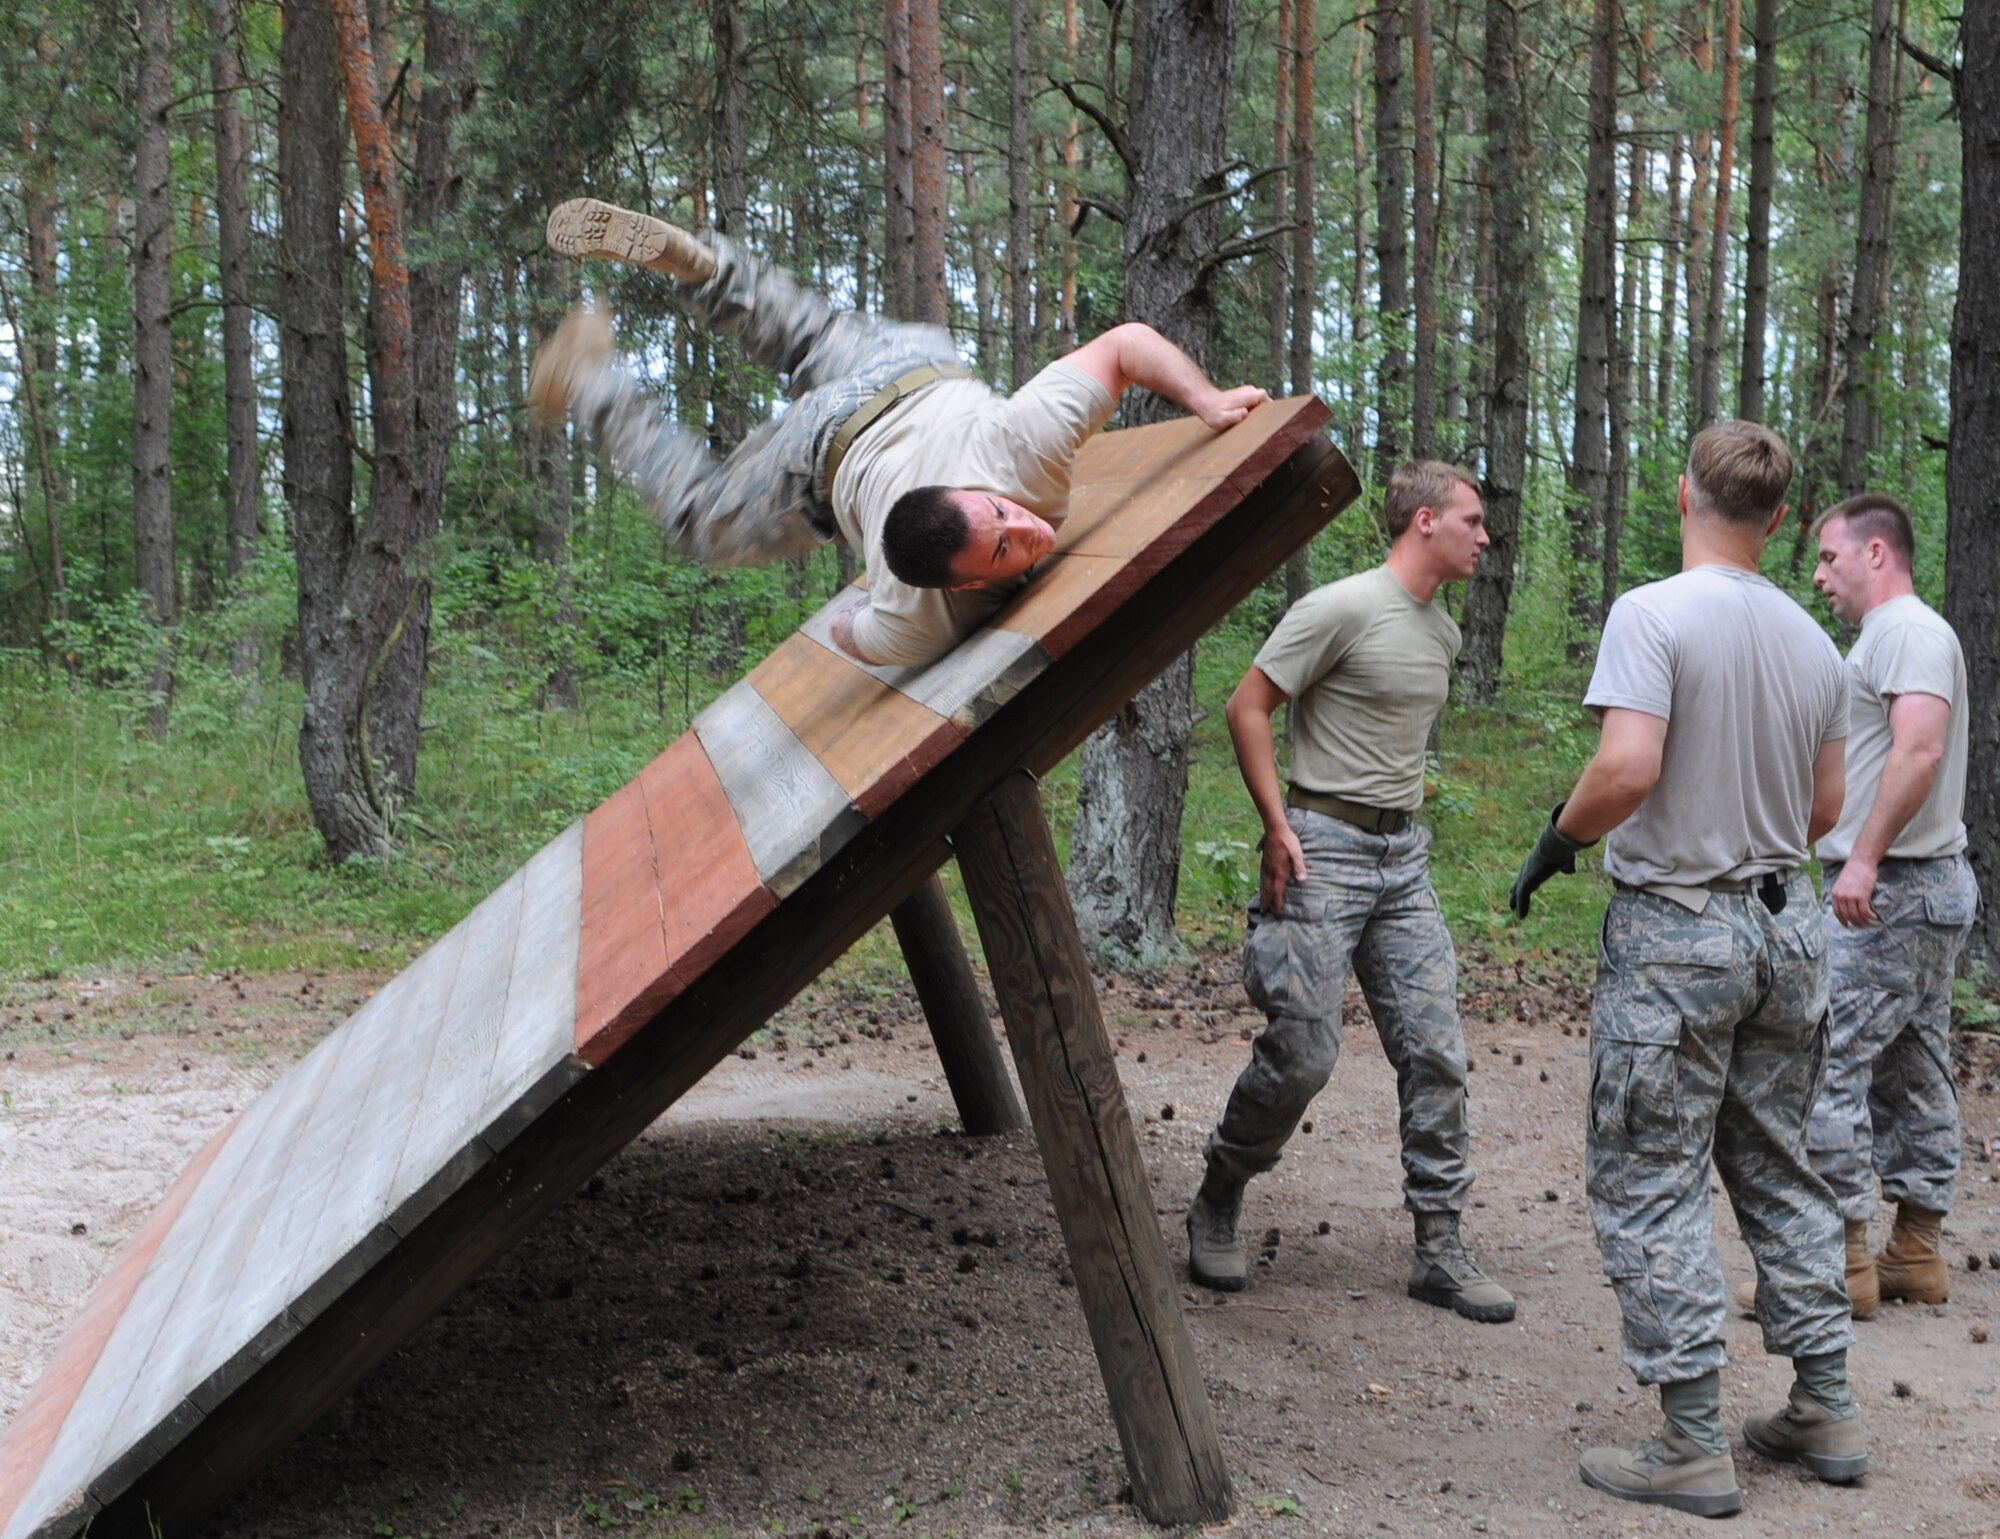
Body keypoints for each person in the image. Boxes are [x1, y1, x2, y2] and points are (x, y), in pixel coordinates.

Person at [1509, 420, 1861, 1517]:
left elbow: (1624, 766)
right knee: (1775, 1161)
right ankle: (1824, 1405)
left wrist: (1561, 839)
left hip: (1678, 935)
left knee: (1648, 1172)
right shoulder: (1812, 640)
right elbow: (1821, 812)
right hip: (1787, 929)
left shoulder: (1651, 614)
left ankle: (1691, 1442)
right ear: (1777, 520)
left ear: (1681, 496)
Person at [527, 197, 1268, 667]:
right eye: (1006, 535)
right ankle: (672, 301)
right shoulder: (925, 603)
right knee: (800, 350)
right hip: (900, 376)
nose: (1030, 527)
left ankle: (664, 307)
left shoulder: (1010, 464)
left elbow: (1126, 341)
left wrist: (1207, 400)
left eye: (1005, 518)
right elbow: (853, 634)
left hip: (878, 401)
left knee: (777, 403)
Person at [1184, 460, 1517, 1326]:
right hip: (1319, 846)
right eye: (1473, 520)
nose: (1485, 536)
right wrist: (1276, 823)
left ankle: (1439, 1244)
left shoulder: (1440, 631)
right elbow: (1247, 706)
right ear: (1425, 524)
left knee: (1436, 1047)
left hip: (1400, 856)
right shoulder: (1338, 607)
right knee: (1304, 1052)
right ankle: (1220, 1190)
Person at [1802, 493, 1976, 1311]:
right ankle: (1915, 1247)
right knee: (1913, 1064)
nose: (1819, 575)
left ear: (1876, 553)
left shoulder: (1906, 631)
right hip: (1922, 885)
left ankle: (1841, 1265)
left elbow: (1921, 749)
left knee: (1829, 1063)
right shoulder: (1894, 636)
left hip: (1893, 890)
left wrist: (1862, 859)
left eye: (1830, 557)